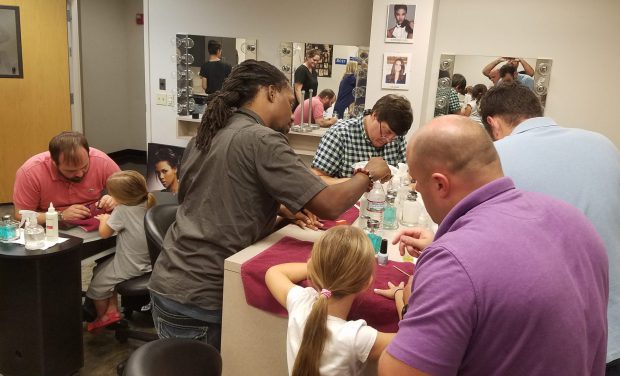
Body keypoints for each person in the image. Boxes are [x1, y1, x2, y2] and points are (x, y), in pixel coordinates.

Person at [148, 60, 392, 351]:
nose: (292, 114)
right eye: (290, 103)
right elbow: (329, 205)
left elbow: (204, 197)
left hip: (169, 284)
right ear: (270, 92)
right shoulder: (262, 139)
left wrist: (276, 208)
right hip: (201, 298)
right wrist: (369, 172)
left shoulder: (206, 133)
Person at [378, 115, 608, 375]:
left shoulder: (451, 263)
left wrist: (408, 303)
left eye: (416, 181)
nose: (416, 188)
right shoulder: (574, 220)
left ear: (440, 184)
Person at [479, 82, 620, 373]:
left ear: (492, 124)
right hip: (614, 324)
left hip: (558, 340)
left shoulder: (497, 156)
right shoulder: (603, 143)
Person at [265, 226, 396, 376]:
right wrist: (401, 298)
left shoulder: (301, 303)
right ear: (365, 284)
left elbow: (274, 272)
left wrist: (321, 268)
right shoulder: (357, 337)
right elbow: (412, 342)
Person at [85, 170, 156, 332]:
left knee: (97, 286)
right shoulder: (147, 202)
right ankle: (112, 309)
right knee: (102, 270)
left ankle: (103, 318)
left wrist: (105, 219)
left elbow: (104, 234)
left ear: (122, 198)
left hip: (130, 265)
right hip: (147, 262)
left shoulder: (122, 211)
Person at [13, 131, 120, 225]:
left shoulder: (101, 161)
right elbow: (20, 215)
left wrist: (115, 199)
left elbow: (132, 194)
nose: (79, 174)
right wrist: (59, 216)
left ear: (89, 155)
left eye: (84, 167)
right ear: (54, 163)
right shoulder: (31, 172)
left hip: (97, 221)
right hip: (52, 227)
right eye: (71, 171)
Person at [311, 94, 413, 184]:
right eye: (387, 132)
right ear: (375, 115)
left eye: (394, 137)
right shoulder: (340, 134)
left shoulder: (397, 137)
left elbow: (407, 176)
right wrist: (362, 181)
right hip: (348, 202)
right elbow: (316, 179)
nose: (388, 140)